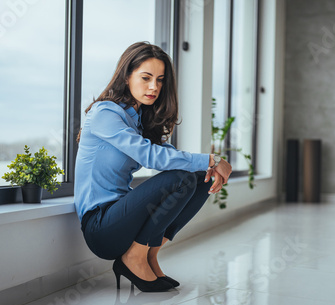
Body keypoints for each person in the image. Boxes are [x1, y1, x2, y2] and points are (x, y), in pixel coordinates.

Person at [74, 42, 232, 292]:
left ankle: (148, 254)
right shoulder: (104, 113)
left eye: (159, 80)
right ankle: (132, 258)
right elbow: (149, 155)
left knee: (198, 179)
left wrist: (206, 165)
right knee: (181, 178)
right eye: (146, 78)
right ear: (126, 76)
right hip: (101, 226)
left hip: (122, 217)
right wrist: (213, 160)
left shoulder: (137, 120)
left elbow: (164, 152)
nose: (153, 87)